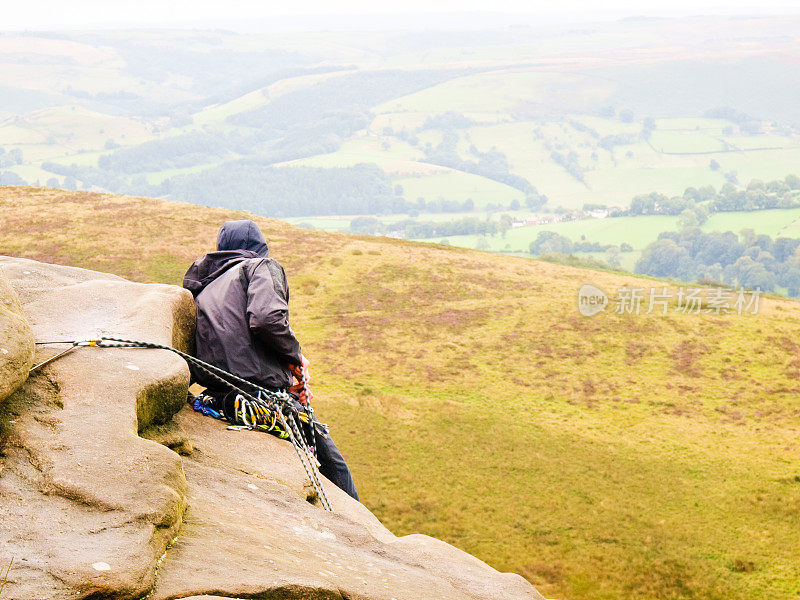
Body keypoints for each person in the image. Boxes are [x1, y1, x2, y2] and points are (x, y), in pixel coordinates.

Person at [182, 219, 358, 500]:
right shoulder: (259, 267)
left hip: (219, 396)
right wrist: (296, 355)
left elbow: (234, 344)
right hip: (256, 398)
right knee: (334, 464)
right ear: (258, 247)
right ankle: (360, 535)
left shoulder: (205, 286)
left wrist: (284, 372)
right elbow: (266, 319)